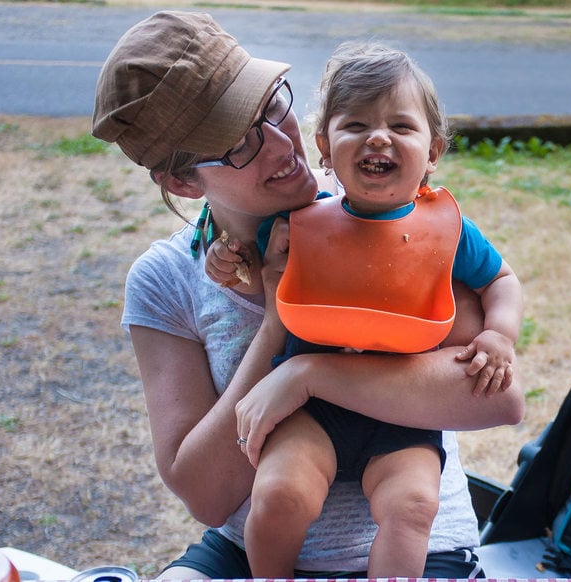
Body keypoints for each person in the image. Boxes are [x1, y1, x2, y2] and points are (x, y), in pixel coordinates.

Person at [92, 11, 523, 578]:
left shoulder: (377, 204)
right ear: (182, 181)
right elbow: (205, 493)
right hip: (246, 555)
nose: (280, 143)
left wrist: (305, 374)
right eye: (237, 142)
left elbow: (497, 397)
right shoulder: (168, 279)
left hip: (426, 547)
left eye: (271, 105)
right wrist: (276, 322)